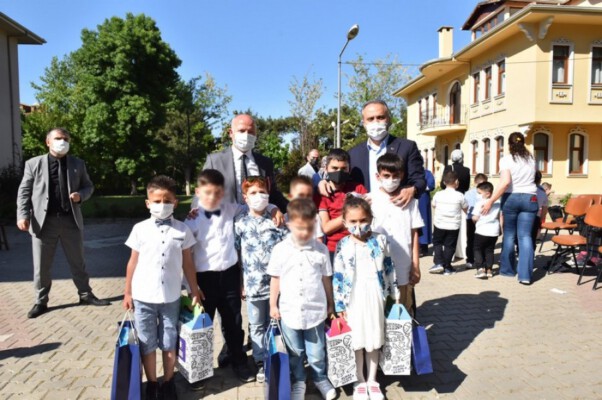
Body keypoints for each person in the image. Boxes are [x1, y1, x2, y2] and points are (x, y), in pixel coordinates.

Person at [16, 127, 109, 319]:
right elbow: (24, 191)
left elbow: (89, 186)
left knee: (78, 262)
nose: (62, 141)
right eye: (58, 138)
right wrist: (22, 215)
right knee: (41, 266)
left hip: (70, 220)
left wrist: (80, 196)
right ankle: (41, 301)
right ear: (48, 141)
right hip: (43, 223)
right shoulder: (33, 164)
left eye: (66, 138)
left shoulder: (77, 163)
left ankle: (85, 295)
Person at [123, 175, 201, 400]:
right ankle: (153, 383)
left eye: (167, 200)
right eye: (156, 201)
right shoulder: (140, 229)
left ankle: (168, 381)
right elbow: (132, 262)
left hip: (171, 297)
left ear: (175, 202)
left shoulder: (182, 230)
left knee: (169, 341)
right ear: (148, 203)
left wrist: (194, 289)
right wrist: (128, 292)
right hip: (143, 296)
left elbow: (188, 263)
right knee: (147, 343)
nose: (161, 204)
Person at [184, 169, 255, 384]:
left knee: (233, 321)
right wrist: (191, 287)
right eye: (207, 193)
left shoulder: (230, 208)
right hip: (204, 279)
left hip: (230, 275)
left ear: (223, 193)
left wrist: (271, 208)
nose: (212, 198)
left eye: (217, 193)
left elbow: (251, 207)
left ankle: (238, 361)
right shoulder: (192, 221)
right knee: (202, 324)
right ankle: (200, 369)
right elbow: (185, 257)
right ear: (197, 191)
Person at [268, 198, 336, 400]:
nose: (304, 233)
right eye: (299, 228)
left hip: (315, 309)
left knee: (316, 351)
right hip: (289, 310)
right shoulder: (280, 249)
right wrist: (273, 304)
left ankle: (320, 377)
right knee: (295, 351)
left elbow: (326, 279)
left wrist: (330, 303)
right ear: (289, 224)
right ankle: (299, 380)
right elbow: (275, 279)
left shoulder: (321, 250)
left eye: (308, 228)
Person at [333, 196, 397, 400]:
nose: (358, 225)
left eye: (362, 220)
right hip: (353, 298)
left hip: (375, 296)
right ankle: (359, 380)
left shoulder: (380, 240)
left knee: (374, 338)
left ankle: (372, 380)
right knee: (357, 340)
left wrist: (393, 297)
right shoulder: (342, 244)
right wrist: (339, 303)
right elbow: (338, 276)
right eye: (353, 221)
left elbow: (389, 269)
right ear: (344, 223)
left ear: (370, 219)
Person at [320, 100, 426, 208]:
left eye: (380, 117)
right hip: (365, 214)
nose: (375, 122)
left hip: (397, 211)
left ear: (388, 119)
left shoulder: (407, 147)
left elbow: (419, 179)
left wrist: (413, 189)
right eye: (370, 119)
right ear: (364, 123)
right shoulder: (353, 153)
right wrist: (325, 181)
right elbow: (344, 180)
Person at [234, 176, 286, 383]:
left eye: (262, 192)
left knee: (274, 322)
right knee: (256, 324)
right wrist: (240, 284)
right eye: (253, 193)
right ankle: (260, 360)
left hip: (277, 284)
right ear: (245, 198)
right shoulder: (240, 223)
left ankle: (277, 355)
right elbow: (236, 256)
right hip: (253, 284)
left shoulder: (277, 220)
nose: (258, 196)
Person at [370, 153, 424, 317]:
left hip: (403, 266)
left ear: (402, 175)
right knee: (379, 311)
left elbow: (415, 234)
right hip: (376, 268)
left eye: (395, 176)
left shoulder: (410, 202)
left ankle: (404, 342)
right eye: (386, 175)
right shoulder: (370, 200)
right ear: (378, 176)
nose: (391, 180)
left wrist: (416, 265)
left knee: (402, 311)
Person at [481, 132, 538, 285]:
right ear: (523, 143)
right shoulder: (531, 159)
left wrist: (491, 200)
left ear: (509, 144)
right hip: (530, 198)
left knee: (509, 234)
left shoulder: (506, 160)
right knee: (525, 236)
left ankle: (507, 270)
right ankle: (525, 275)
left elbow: (505, 182)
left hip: (511, 198)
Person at [202, 114, 288, 211]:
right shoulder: (215, 161)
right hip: (226, 221)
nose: (247, 135)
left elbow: (273, 193)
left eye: (251, 132)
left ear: (255, 135)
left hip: (258, 220)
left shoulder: (265, 163)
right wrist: (196, 210)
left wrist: (294, 209)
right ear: (231, 133)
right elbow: (203, 191)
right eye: (242, 131)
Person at [316, 149, 368, 260]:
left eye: (344, 169)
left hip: (359, 245)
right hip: (334, 249)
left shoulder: (358, 188)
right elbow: (326, 227)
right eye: (334, 168)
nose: (339, 172)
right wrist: (351, 214)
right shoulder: (323, 193)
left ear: (349, 170)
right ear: (326, 169)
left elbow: (367, 218)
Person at [430, 171, 468, 275]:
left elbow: (433, 205)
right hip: (453, 225)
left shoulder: (438, 194)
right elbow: (465, 208)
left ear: (444, 182)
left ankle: (438, 263)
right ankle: (447, 267)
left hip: (439, 224)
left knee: (437, 243)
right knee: (450, 246)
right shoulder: (460, 195)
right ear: (456, 182)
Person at [471, 182, 501, 280]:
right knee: (489, 250)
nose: (478, 195)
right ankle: (489, 270)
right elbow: (500, 216)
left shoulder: (480, 203)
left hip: (481, 231)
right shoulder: (498, 203)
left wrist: (474, 220)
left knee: (477, 249)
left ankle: (480, 269)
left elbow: (475, 217)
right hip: (494, 231)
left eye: (479, 193)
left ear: (487, 193)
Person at [286, 175, 324, 240]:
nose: (305, 200)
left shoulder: (316, 218)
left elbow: (319, 241)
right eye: (301, 195)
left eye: (309, 196)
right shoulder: (284, 219)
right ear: (290, 197)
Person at [464, 173, 488, 268]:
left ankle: (470, 260)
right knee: (479, 240)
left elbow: (465, 207)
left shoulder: (468, 193)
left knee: (470, 240)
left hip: (471, 219)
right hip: (480, 219)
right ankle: (479, 260)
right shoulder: (487, 193)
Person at [418, 169, 435, 257]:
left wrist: (419, 187)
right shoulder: (409, 171)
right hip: (412, 199)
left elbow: (431, 185)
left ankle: (423, 247)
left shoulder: (427, 173)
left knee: (424, 222)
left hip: (423, 199)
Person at [533, 170, 548, 248]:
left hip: (523, 217)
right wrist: (541, 220)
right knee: (532, 239)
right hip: (536, 217)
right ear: (540, 180)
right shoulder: (542, 192)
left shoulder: (525, 189)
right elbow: (545, 208)